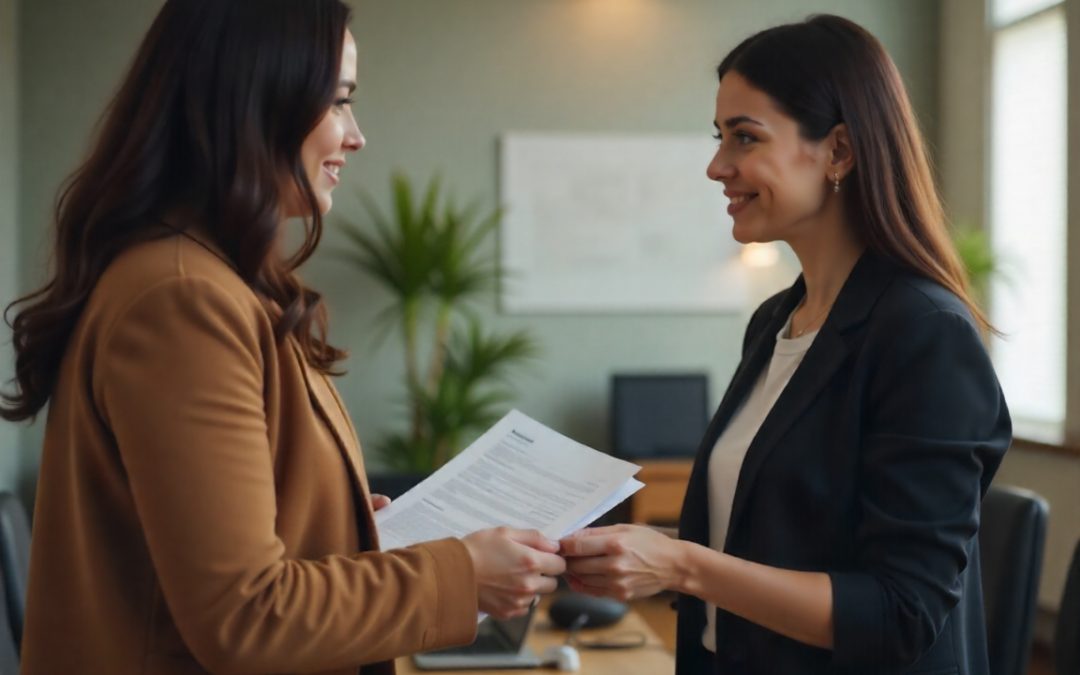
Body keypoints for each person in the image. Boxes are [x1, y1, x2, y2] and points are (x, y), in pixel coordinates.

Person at [0, 1, 565, 673]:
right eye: (338, 102)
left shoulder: (213, 281)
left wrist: (351, 526)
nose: (355, 136)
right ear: (253, 103)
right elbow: (244, 615)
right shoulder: (182, 300)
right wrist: (461, 573)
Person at [560, 14, 1010, 675]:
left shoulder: (924, 333)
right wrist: (643, 553)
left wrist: (683, 564)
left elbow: (899, 611)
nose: (717, 166)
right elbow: (774, 535)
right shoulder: (776, 320)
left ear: (839, 151)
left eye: (745, 138)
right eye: (719, 137)